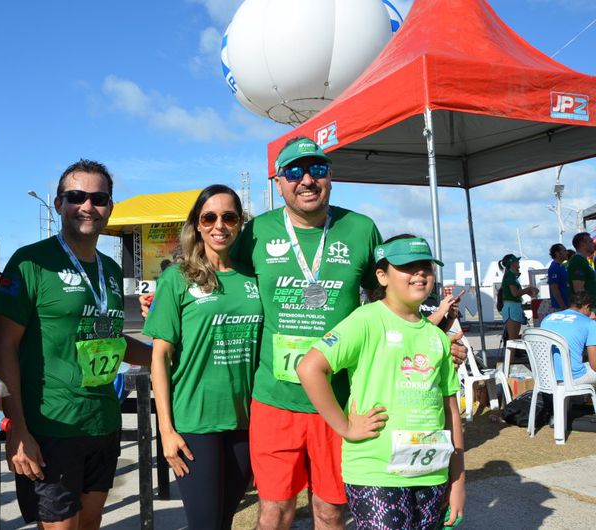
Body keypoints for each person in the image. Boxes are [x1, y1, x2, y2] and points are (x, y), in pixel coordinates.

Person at [138, 137, 466, 529]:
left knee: (329, 512)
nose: (306, 180)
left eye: (317, 170)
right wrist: (166, 300)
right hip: (274, 401)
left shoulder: (360, 229)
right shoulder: (256, 231)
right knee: (274, 511)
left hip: (338, 400)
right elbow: (217, 271)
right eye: (294, 172)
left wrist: (429, 338)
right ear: (279, 183)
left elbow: (389, 297)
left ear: (330, 177)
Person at [0, 159, 151, 530]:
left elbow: (111, 339)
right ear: (59, 203)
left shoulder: (110, 269)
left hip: (103, 422)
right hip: (51, 427)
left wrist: (169, 352)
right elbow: (4, 348)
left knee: (91, 523)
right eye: (77, 196)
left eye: (99, 198)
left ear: (110, 207)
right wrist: (17, 430)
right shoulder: (31, 261)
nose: (88, 206)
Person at [297, 235, 465, 529]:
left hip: (432, 471)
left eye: (426, 266)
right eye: (407, 266)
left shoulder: (437, 336)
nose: (419, 273)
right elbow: (310, 368)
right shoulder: (366, 319)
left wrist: (458, 480)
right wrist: (345, 426)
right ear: (382, 276)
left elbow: (450, 409)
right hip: (377, 472)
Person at [143, 185, 262, 529]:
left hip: (245, 422)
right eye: (209, 217)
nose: (219, 225)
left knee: (223, 520)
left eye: (229, 217)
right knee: (206, 524)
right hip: (195, 422)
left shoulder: (253, 276)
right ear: (197, 224)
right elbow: (159, 358)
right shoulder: (177, 278)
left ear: (240, 223)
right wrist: (166, 430)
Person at [540, 291, 596, 387]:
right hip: (573, 377)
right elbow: (594, 365)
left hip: (546, 376)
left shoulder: (547, 318)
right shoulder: (589, 323)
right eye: (590, 309)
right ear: (587, 306)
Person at [499, 253, 539, 349]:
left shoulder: (511, 275)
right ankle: (510, 358)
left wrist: (527, 292)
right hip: (511, 308)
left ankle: (511, 357)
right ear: (512, 263)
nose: (519, 262)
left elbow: (515, 292)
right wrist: (529, 289)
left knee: (514, 339)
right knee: (513, 340)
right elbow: (515, 293)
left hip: (514, 307)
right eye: (517, 261)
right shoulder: (510, 275)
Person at [567, 232, 596, 302]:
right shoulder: (577, 260)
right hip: (588, 306)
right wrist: (587, 306)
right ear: (583, 245)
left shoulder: (583, 260)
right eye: (591, 241)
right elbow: (578, 288)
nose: (593, 244)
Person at [548, 243, 569, 312]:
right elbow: (554, 288)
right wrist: (563, 306)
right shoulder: (554, 267)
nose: (567, 253)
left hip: (567, 305)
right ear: (557, 253)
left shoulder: (562, 266)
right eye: (564, 251)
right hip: (560, 307)